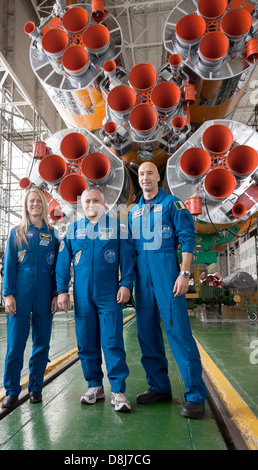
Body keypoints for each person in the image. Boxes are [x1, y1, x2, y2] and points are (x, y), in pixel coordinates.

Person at [128, 162, 207, 419]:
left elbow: (187, 237)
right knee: (147, 335)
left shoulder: (173, 204)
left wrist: (184, 273)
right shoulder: (134, 212)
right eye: (141, 174)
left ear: (158, 177)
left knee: (179, 334)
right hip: (142, 281)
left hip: (168, 277)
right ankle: (159, 388)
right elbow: (130, 250)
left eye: (150, 172)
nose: (145, 177)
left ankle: (195, 395)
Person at [56, 187, 135, 412]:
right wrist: (62, 291)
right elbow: (63, 262)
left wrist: (126, 284)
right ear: (82, 205)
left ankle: (118, 391)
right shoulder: (72, 229)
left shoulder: (118, 227)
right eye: (88, 201)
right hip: (82, 295)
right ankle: (94, 387)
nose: (92, 204)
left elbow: (127, 258)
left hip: (109, 293)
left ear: (104, 202)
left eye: (96, 200)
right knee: (86, 342)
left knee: (112, 340)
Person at [2, 188, 59, 408]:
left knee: (42, 343)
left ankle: (35, 387)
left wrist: (56, 294)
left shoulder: (53, 234)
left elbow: (57, 269)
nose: (35, 204)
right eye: (31, 201)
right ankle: (12, 390)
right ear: (26, 205)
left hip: (44, 293)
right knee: (15, 344)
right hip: (21, 293)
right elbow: (9, 267)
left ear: (44, 205)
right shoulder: (16, 232)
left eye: (39, 201)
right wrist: (8, 294)